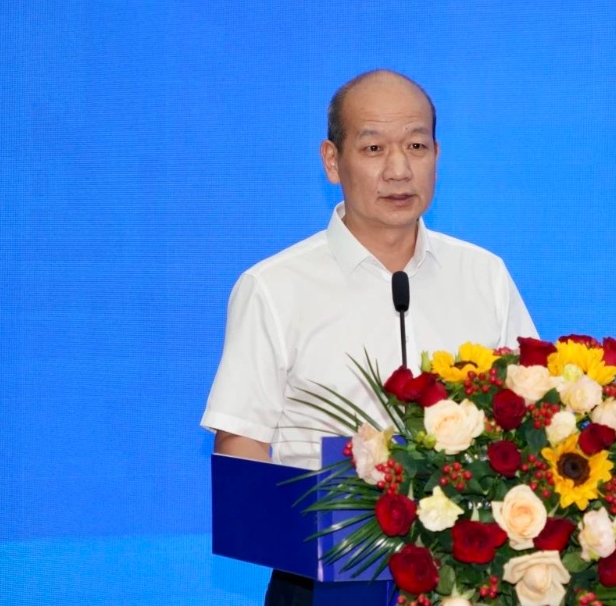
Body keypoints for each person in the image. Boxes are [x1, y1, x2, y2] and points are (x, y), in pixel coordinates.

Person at [201, 69, 537, 605]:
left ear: (437, 155)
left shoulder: (484, 275)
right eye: (374, 148)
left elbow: (531, 419)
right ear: (332, 161)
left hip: (469, 581)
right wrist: (309, 540)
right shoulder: (274, 287)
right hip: (322, 581)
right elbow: (241, 443)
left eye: (416, 146)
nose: (398, 169)